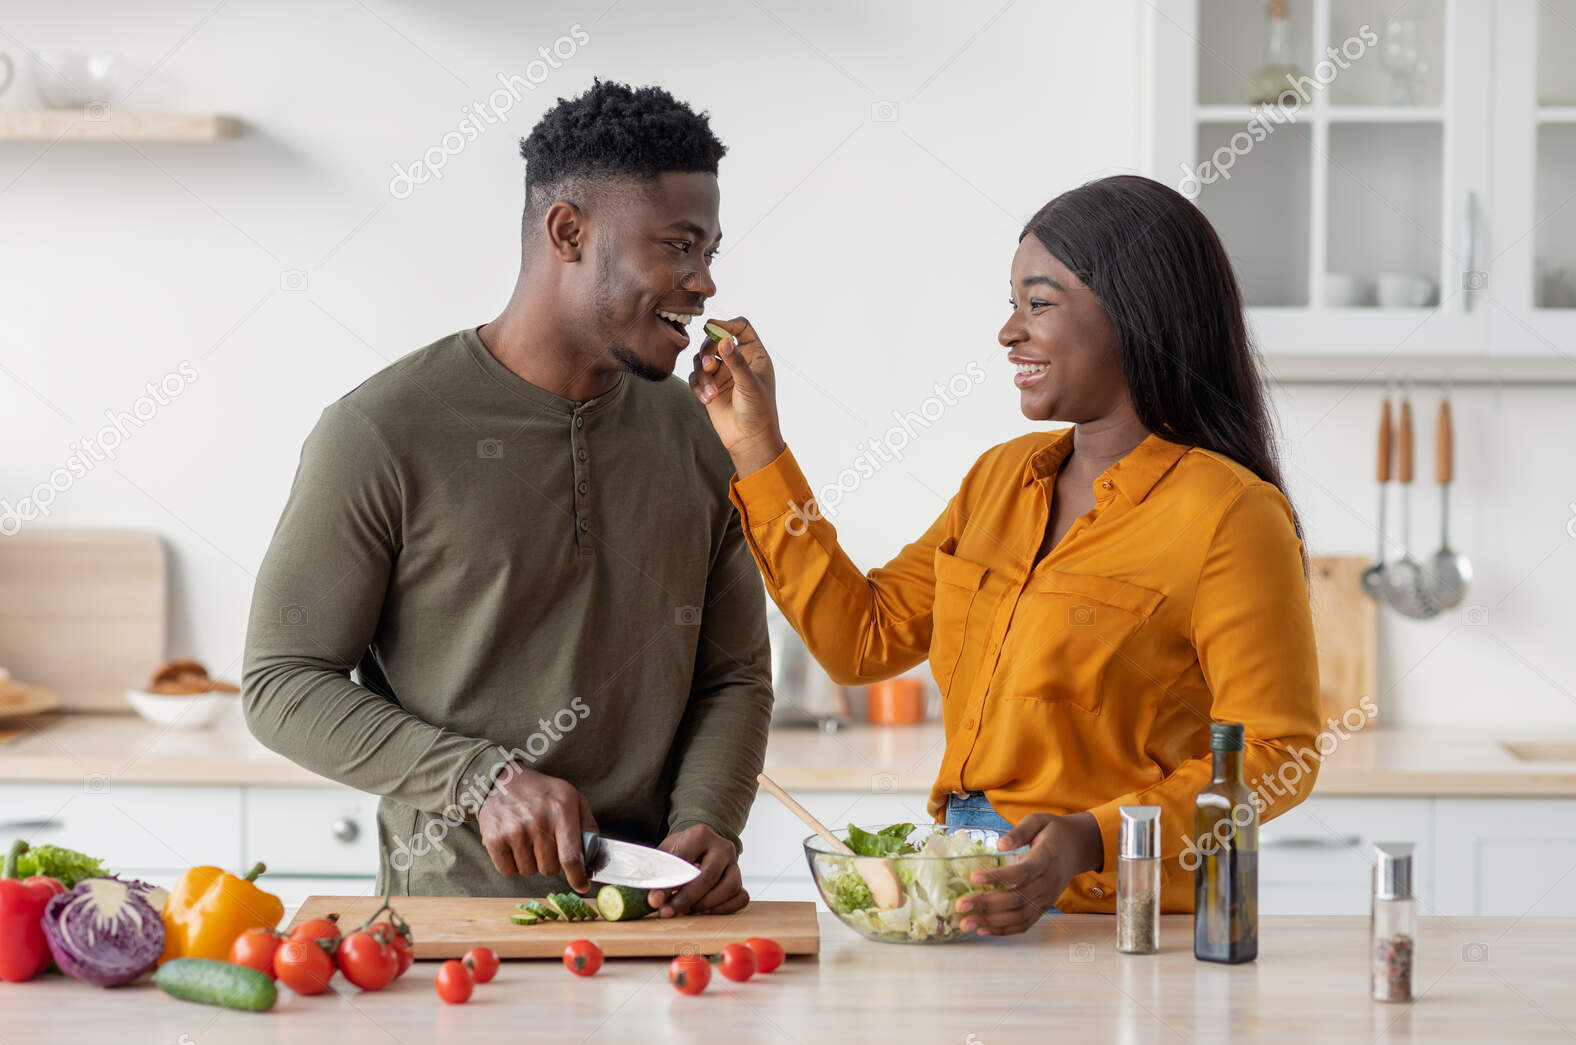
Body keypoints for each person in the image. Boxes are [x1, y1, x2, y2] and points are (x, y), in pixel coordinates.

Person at [690, 175, 1322, 934]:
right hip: (965, 898)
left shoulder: (1230, 514)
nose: (1009, 331)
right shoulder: (1000, 479)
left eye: (1039, 303)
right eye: (1012, 303)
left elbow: (1276, 751)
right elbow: (860, 639)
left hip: (1111, 916)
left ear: (1136, 313)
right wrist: (758, 444)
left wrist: (1090, 838)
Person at [243, 80, 770, 914]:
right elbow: (282, 683)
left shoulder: (703, 430)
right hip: (447, 925)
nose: (702, 282)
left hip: (661, 924)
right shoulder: (381, 430)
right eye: (678, 246)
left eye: (709, 252)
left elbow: (734, 672)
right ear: (569, 231)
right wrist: (481, 780)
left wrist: (712, 818)